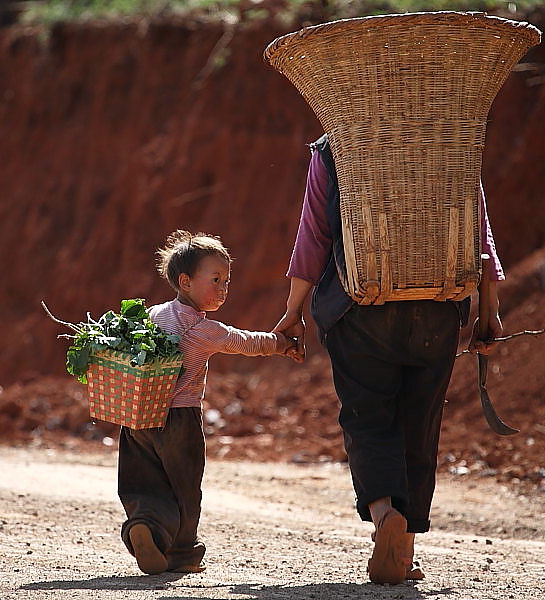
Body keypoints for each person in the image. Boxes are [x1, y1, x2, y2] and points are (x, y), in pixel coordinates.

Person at [273, 134, 504, 584]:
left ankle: (385, 519)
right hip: (438, 309)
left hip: (360, 309)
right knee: (420, 424)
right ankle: (405, 552)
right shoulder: (453, 136)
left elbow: (314, 238)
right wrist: (490, 310)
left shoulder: (334, 147)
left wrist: (293, 310)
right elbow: (479, 228)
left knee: (368, 418)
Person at [118, 230, 295, 575]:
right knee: (184, 484)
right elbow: (244, 342)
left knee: (143, 479)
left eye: (227, 280)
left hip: (136, 415)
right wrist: (281, 343)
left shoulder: (151, 316)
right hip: (180, 419)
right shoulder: (201, 329)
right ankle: (181, 552)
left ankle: (145, 527)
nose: (224, 288)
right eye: (216, 279)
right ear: (185, 282)